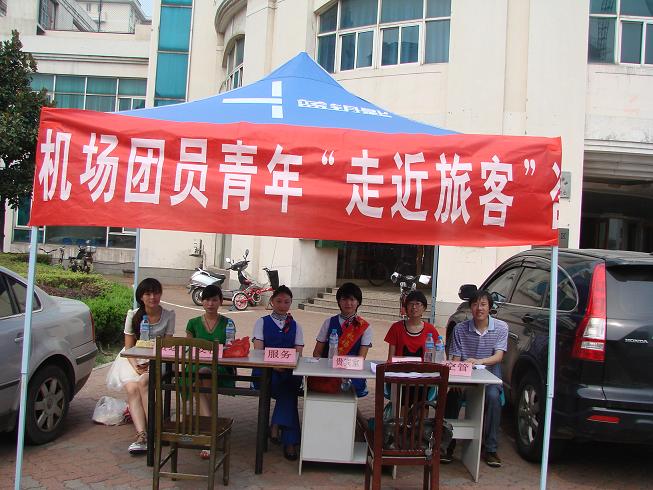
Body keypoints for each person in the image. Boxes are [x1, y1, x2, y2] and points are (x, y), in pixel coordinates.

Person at [106, 278, 175, 455]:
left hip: (158, 359)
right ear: (141, 297)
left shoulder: (169, 315)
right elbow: (129, 347)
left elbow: (167, 347)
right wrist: (136, 365)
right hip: (132, 359)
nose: (153, 297)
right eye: (148, 294)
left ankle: (156, 430)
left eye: (156, 293)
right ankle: (142, 435)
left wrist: (151, 363)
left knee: (144, 381)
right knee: (132, 388)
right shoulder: (133, 315)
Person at [442, 289, 508, 468]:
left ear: (490, 307)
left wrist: (479, 361)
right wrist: (457, 381)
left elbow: (498, 356)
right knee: (452, 396)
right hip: (465, 378)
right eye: (475, 304)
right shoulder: (460, 329)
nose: (479, 308)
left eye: (483, 304)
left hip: (489, 380)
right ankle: (447, 443)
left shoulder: (501, 327)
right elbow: (455, 358)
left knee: (493, 398)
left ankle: (491, 448)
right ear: (470, 307)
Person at [252, 285, 304, 461]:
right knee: (289, 392)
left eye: (287, 302)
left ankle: (275, 425)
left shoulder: (296, 326)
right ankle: (289, 442)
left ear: (291, 303)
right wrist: (274, 366)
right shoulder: (262, 322)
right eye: (279, 301)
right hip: (266, 372)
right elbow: (258, 352)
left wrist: (285, 366)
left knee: (290, 385)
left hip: (288, 373)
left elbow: (298, 354)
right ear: (272, 302)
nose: (283, 305)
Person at [185, 284, 236, 459]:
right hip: (196, 366)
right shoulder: (192, 323)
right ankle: (211, 430)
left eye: (214, 300)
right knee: (200, 377)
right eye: (206, 299)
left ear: (220, 301)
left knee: (202, 376)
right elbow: (189, 349)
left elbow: (230, 348)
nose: (210, 303)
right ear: (202, 301)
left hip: (220, 367)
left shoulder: (228, 323)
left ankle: (207, 432)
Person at [311, 282, 372, 397]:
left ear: (358, 302)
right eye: (344, 299)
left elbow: (361, 358)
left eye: (352, 299)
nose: (348, 303)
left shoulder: (365, 327)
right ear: (339, 301)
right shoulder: (328, 322)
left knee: (350, 387)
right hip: (328, 370)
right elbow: (317, 352)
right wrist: (327, 370)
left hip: (352, 373)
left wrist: (344, 374)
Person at [384, 290, 441, 360]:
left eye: (418, 304)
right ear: (406, 308)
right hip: (400, 366)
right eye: (411, 304)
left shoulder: (430, 329)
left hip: (424, 367)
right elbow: (390, 359)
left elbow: (437, 356)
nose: (414, 307)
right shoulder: (396, 327)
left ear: (424, 308)